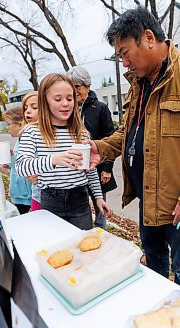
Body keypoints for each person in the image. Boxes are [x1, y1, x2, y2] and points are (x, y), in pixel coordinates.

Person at [88, 7, 180, 295]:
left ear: (148, 37)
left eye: (125, 52)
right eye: (119, 56)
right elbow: (127, 133)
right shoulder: (138, 85)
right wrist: (100, 148)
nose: (124, 62)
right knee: (153, 261)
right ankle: (155, 314)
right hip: (148, 197)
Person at [16, 73, 112, 230]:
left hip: (80, 200)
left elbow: (90, 170)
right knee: (57, 248)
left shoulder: (81, 132)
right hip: (50, 200)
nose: (65, 104)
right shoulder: (32, 132)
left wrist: (99, 197)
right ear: (44, 101)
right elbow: (21, 166)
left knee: (82, 246)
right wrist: (54, 159)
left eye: (69, 98)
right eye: (58, 99)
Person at [67, 66, 117, 229]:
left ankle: (100, 230)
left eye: (78, 87)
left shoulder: (100, 108)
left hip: (98, 163)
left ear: (87, 85)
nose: (75, 92)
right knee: (80, 202)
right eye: (71, 87)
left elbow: (110, 138)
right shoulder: (69, 108)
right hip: (76, 165)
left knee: (99, 201)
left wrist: (107, 168)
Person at [4, 106, 33, 214]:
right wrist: (9, 162)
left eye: (8, 124)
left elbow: (28, 166)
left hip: (27, 197)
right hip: (19, 194)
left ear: (20, 123)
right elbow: (17, 164)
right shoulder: (19, 141)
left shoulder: (29, 141)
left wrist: (11, 158)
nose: (7, 128)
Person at [21, 91, 42, 211]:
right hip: (37, 196)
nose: (28, 111)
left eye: (34, 107)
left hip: (55, 199)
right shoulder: (26, 134)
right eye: (25, 108)